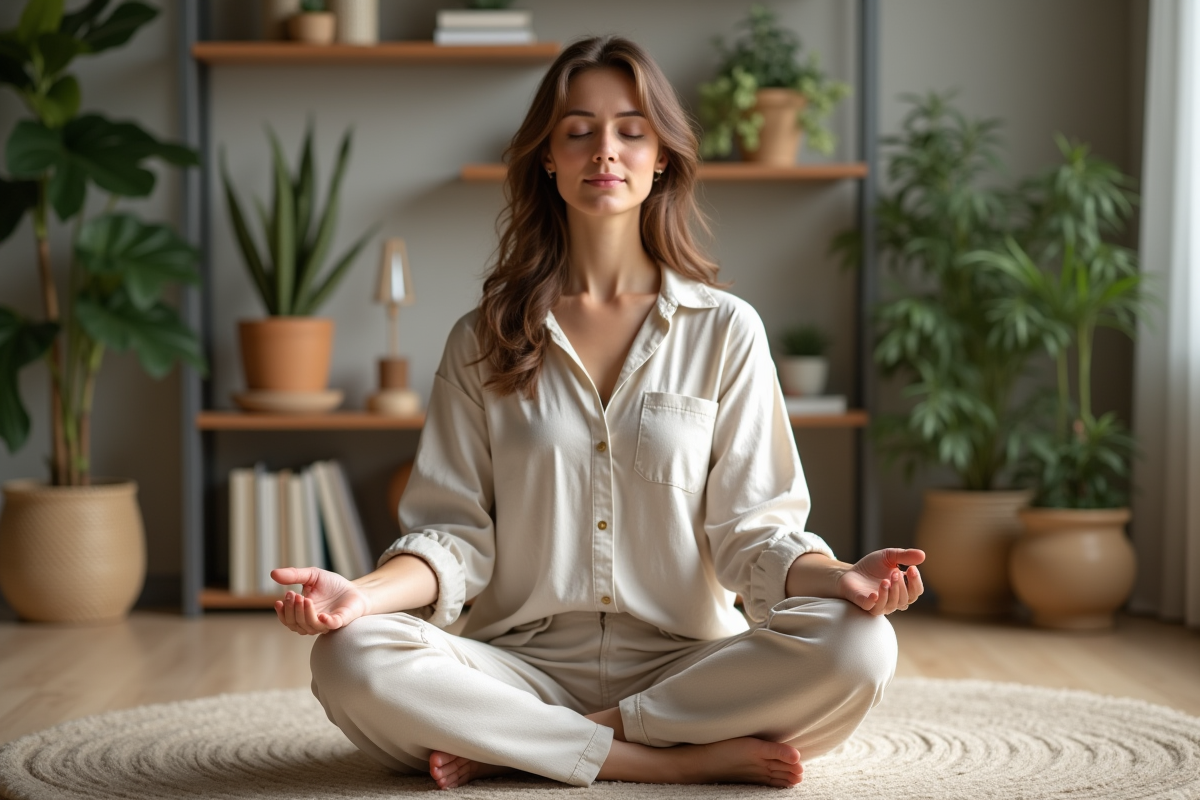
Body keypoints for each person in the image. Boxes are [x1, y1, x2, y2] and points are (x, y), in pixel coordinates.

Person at [270, 35, 924, 791]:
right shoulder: (483, 338)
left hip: (690, 665)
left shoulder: (725, 330)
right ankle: (666, 761)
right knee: (349, 656)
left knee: (860, 647)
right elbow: (452, 538)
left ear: (663, 158)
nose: (604, 150)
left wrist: (842, 577)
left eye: (630, 131)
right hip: (517, 666)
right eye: (578, 130)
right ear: (547, 157)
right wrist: (360, 595)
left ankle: (545, 745)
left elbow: (757, 534)